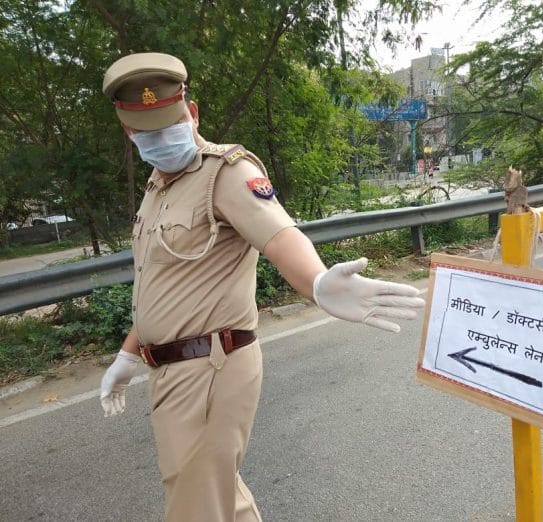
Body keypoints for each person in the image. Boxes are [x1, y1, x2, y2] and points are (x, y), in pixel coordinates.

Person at [99, 52, 425, 522]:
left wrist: (316, 282)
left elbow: (279, 235)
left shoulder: (225, 172)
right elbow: (159, 285)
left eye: (170, 125)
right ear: (129, 132)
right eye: (147, 133)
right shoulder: (157, 189)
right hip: (169, 372)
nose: (162, 140)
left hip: (211, 366)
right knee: (218, 496)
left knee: (195, 507)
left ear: (192, 113)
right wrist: (129, 355)